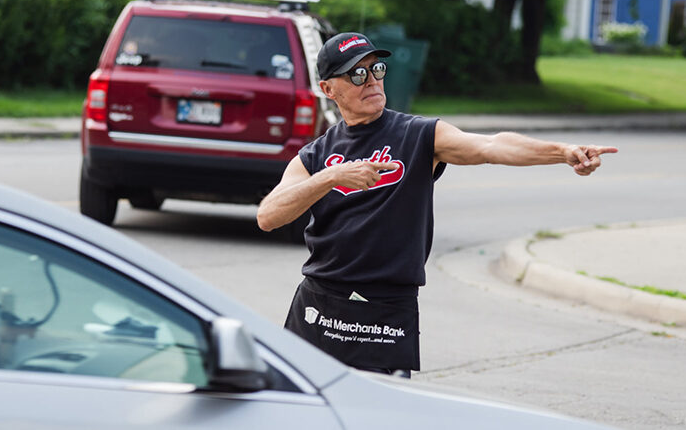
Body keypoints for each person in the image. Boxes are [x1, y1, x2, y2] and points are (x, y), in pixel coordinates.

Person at [256, 32, 617, 378]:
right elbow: (268, 216)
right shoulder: (316, 155)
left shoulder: (418, 135)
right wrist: (331, 177)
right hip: (320, 307)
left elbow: (492, 146)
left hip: (385, 310)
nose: (371, 80)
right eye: (357, 73)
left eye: (376, 69)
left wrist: (562, 152)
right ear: (328, 89)